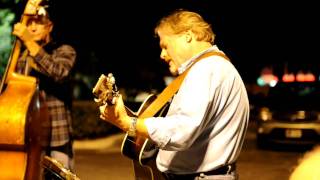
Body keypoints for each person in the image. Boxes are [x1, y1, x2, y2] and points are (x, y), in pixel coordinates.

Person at [99, 9, 249, 180]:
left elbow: (180, 131)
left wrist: (127, 123)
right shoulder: (214, 67)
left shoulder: (205, 70)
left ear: (188, 35)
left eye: (165, 46)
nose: (162, 54)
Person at [12, 7, 76, 172]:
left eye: (38, 23)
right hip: (27, 136)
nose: (32, 27)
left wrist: (30, 43)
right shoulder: (20, 59)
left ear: (50, 26)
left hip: (57, 136)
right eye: (30, 23)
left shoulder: (64, 51)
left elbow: (60, 72)